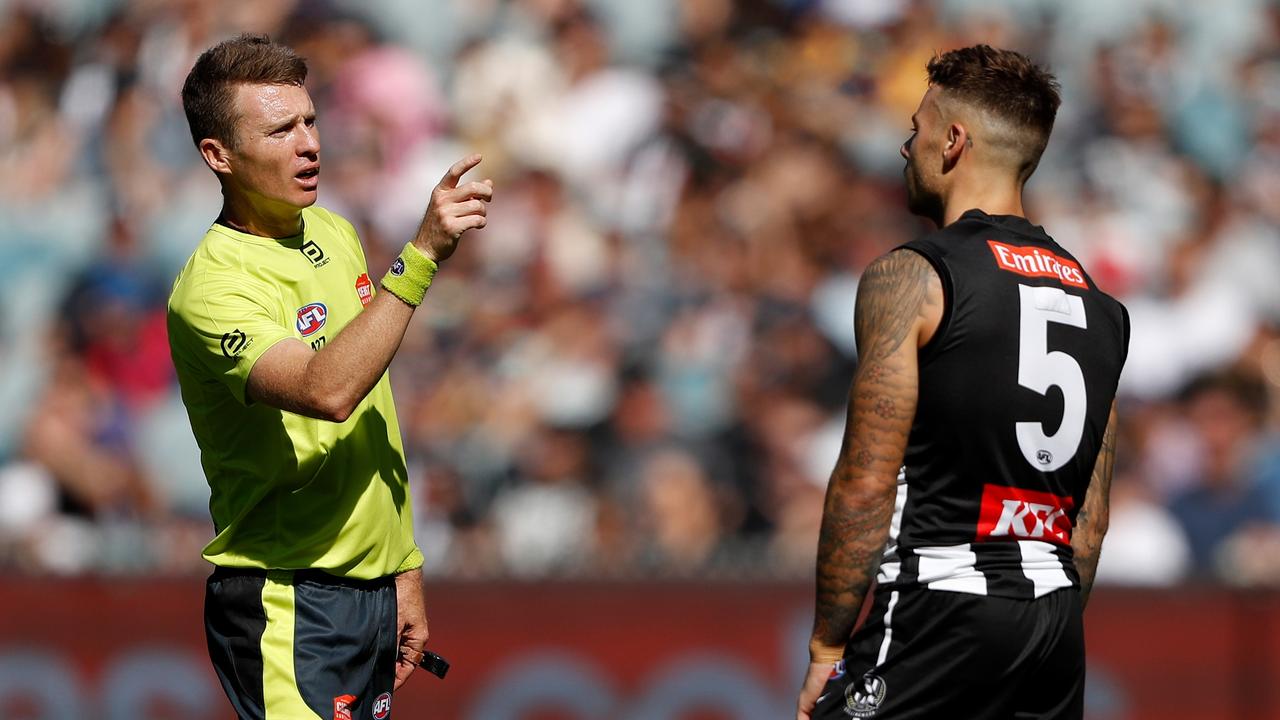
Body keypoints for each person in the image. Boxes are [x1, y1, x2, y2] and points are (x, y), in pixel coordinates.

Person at [796, 45, 1129, 719]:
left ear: (952, 141)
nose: (904, 149)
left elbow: (866, 478)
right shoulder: (1101, 307)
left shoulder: (913, 276)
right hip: (1053, 623)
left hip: (937, 602)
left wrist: (828, 647)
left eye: (916, 130)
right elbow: (1088, 521)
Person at [167, 35, 492, 719]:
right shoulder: (213, 287)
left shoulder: (333, 233)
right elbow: (329, 392)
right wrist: (422, 256)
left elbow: (377, 411)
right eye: (281, 130)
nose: (309, 144)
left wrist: (400, 564)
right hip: (289, 598)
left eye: (311, 121)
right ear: (218, 155)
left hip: (366, 590)